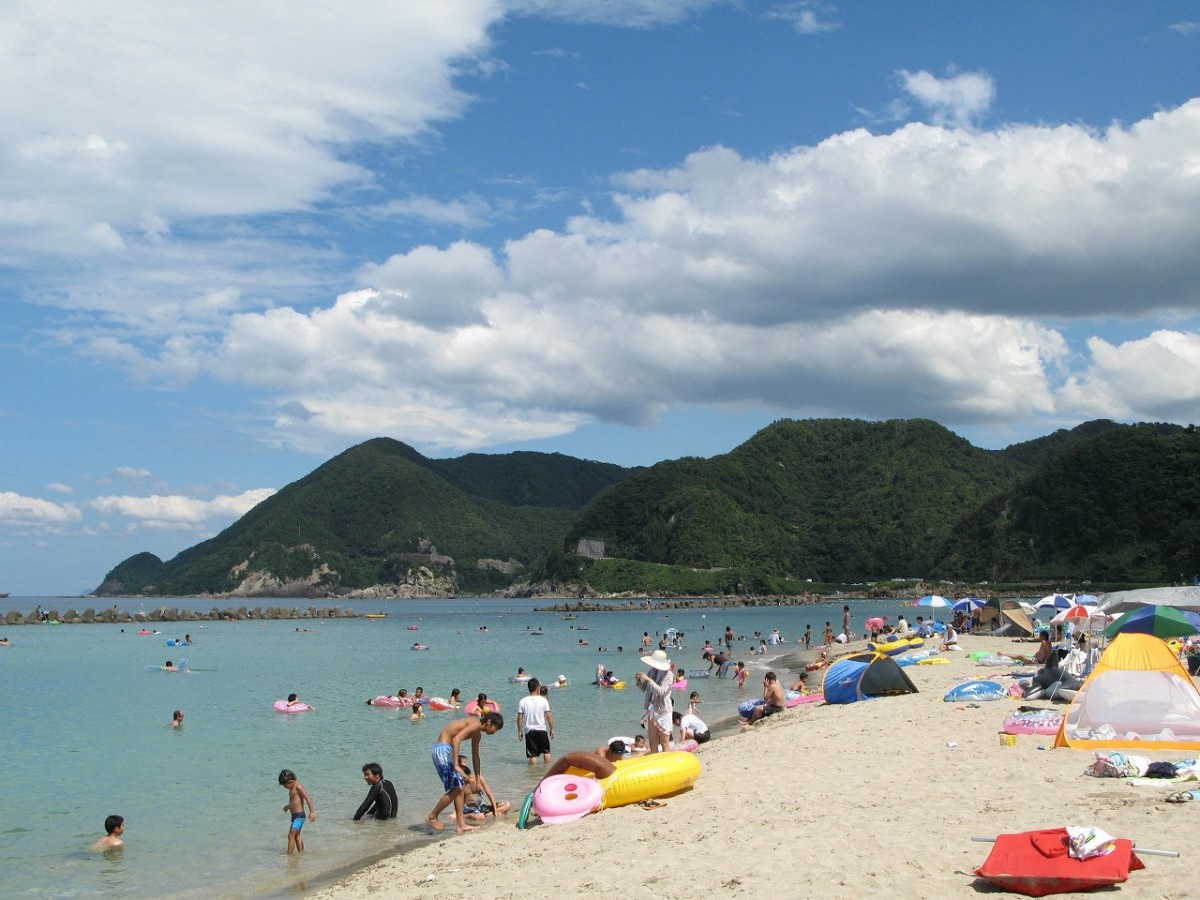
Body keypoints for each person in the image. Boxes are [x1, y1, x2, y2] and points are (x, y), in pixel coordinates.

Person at [425, 712, 504, 834]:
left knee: (460, 787)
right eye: (496, 728)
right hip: (442, 750)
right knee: (457, 787)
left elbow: (476, 757)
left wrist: (477, 781)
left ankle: (461, 825)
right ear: (489, 722)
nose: (496, 732)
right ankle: (432, 816)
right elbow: (457, 739)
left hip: (446, 751)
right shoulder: (475, 723)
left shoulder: (477, 734)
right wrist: (456, 764)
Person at [634, 649, 674, 753]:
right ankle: (655, 760)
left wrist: (648, 680)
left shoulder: (669, 675)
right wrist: (638, 681)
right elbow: (644, 689)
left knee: (665, 742)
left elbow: (661, 691)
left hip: (663, 710)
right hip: (652, 709)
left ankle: (666, 761)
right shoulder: (652, 671)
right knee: (653, 741)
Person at [458, 756, 510, 822]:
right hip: (469, 808)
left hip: (481, 806)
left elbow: (489, 794)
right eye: (464, 762)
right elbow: (456, 799)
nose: (466, 764)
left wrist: (495, 809)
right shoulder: (459, 782)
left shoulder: (479, 779)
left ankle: (487, 815)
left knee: (507, 805)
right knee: (480, 816)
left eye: (465, 762)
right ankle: (463, 816)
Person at [516, 677, 555, 765]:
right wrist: (552, 729)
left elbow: (519, 717)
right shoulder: (544, 700)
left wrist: (519, 731)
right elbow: (549, 716)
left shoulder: (523, 701)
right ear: (538, 688)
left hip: (529, 731)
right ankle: (547, 770)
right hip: (541, 729)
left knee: (532, 755)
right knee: (546, 751)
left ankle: (533, 776)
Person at [278, 769, 316, 854]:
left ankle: (289, 856)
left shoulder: (298, 787)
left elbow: (308, 798)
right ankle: (301, 853)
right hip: (295, 816)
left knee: (291, 835)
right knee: (296, 836)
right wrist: (287, 807)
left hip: (299, 816)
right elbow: (294, 802)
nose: (284, 787)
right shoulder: (291, 789)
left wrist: (312, 812)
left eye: (285, 785)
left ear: (290, 781)